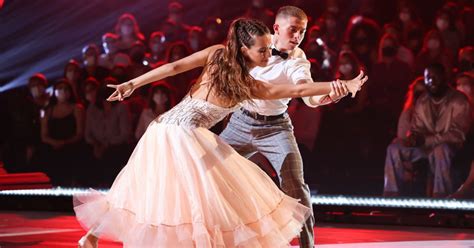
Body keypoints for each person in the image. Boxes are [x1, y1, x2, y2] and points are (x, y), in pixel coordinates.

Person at [75, 18, 367, 248]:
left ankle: (92, 237)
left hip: (162, 129)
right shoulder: (235, 74)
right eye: (262, 50)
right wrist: (132, 84)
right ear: (244, 50)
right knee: (201, 197)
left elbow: (300, 88)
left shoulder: (222, 59)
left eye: (268, 48)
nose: (268, 54)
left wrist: (335, 86)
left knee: (144, 188)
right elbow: (175, 66)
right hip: (181, 135)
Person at [219, 7, 353, 248]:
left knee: (296, 188)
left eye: (302, 32)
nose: (297, 37)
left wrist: (331, 95)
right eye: (293, 30)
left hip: (275, 128)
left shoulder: (298, 59)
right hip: (240, 122)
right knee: (210, 173)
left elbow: (308, 95)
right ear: (277, 28)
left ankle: (306, 246)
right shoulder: (253, 44)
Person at [383, 63, 471, 197]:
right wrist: (413, 137)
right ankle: (391, 195)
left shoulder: (459, 100)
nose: (432, 81)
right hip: (425, 147)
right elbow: (417, 129)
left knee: (440, 150)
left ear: (444, 78)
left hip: (452, 148)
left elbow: (457, 135)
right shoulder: (422, 101)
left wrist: (426, 140)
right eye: (428, 78)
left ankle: (440, 197)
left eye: (436, 77)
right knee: (394, 148)